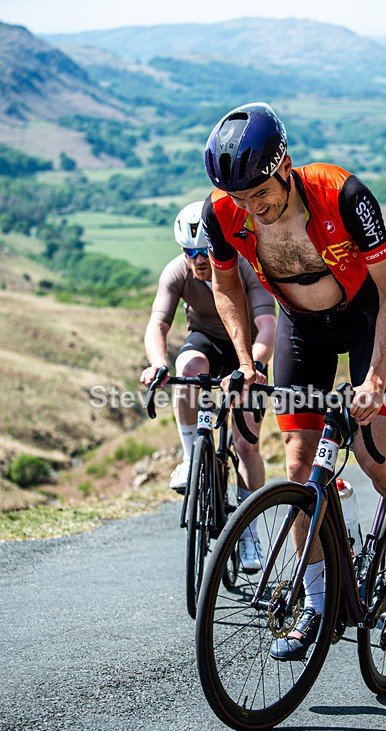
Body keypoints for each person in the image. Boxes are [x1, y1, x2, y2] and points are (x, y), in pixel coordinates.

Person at [202, 102, 386, 659]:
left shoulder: (342, 195)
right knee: (299, 467)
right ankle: (315, 603)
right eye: (240, 199)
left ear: (284, 166)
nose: (251, 209)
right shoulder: (223, 214)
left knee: (373, 457)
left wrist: (376, 378)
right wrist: (246, 363)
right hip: (300, 329)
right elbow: (226, 287)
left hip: (364, 318)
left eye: (260, 195)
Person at [140, 201, 277, 571]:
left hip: (246, 350)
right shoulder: (176, 272)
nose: (198, 260)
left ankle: (249, 536)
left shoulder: (243, 266)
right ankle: (191, 455)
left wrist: (254, 366)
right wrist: (157, 363)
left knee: (246, 444)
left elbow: (267, 324)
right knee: (187, 370)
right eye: (189, 253)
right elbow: (158, 325)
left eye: (203, 252)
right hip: (205, 342)